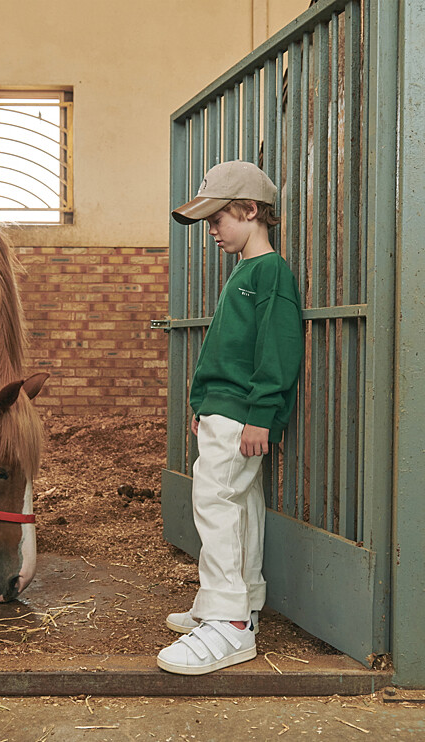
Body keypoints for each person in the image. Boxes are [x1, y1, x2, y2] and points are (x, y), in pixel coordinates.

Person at [157, 160, 303, 675]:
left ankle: (228, 621)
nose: (213, 231)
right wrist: (203, 405)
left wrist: (262, 414)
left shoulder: (270, 271)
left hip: (242, 412)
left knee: (216, 501)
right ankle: (243, 601)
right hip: (225, 409)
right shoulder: (246, 271)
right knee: (237, 502)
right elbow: (228, 351)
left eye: (218, 218)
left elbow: (277, 350)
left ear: (249, 210)